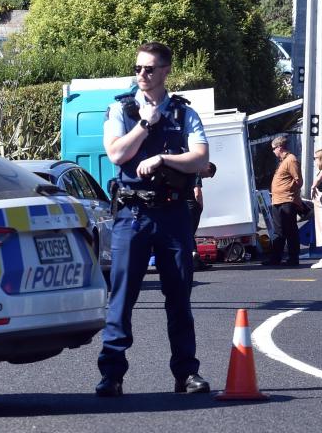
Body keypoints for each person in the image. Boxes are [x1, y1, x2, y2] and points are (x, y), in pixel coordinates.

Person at [96, 42, 211, 397]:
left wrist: (164, 159)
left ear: (165, 72)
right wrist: (146, 124)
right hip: (132, 214)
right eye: (138, 69)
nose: (142, 75)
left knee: (179, 298)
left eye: (149, 69)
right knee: (123, 298)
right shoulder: (121, 108)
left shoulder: (183, 113)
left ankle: (186, 373)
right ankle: (112, 374)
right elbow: (117, 153)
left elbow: (200, 159)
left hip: (173, 214)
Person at [264, 135, 302, 266]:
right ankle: (276, 258)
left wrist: (289, 190)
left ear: (280, 147)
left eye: (274, 148)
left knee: (290, 230)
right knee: (279, 231)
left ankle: (293, 257)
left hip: (287, 200)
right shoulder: (283, 161)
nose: (273, 151)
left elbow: (298, 181)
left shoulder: (291, 160)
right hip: (278, 200)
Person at [188, 162, 217, 269]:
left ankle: (196, 260)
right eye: (207, 175)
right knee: (190, 232)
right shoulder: (197, 172)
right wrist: (200, 206)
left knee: (189, 232)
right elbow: (197, 191)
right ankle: (195, 260)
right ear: (207, 168)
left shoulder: (190, 169)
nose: (204, 178)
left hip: (186, 206)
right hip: (192, 206)